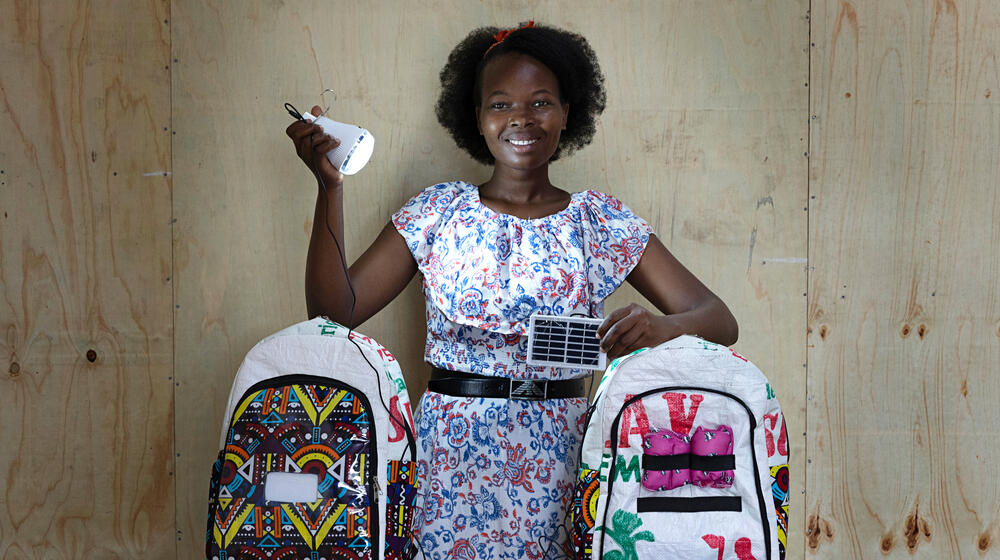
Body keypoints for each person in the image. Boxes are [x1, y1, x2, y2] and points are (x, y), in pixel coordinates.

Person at [286, 22, 738, 560]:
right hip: (449, 460)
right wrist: (328, 188)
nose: (521, 119)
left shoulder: (596, 221)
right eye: (500, 104)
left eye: (540, 101)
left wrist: (663, 328)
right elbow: (334, 312)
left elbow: (719, 319)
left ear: (568, 112)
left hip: (565, 457)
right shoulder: (439, 212)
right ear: (476, 119)